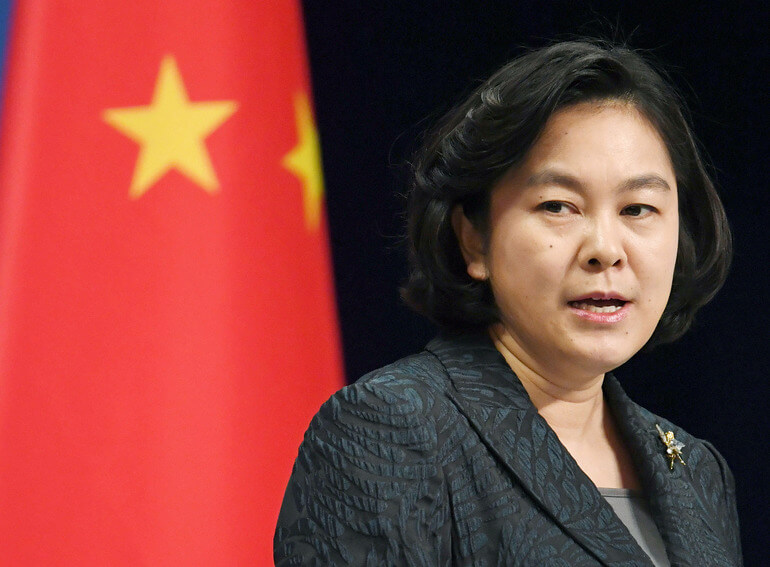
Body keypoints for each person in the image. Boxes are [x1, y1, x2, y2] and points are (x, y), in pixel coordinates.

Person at [274, 40, 741, 566]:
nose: (606, 249)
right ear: (475, 239)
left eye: (637, 208)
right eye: (558, 205)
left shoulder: (696, 470)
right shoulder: (389, 430)